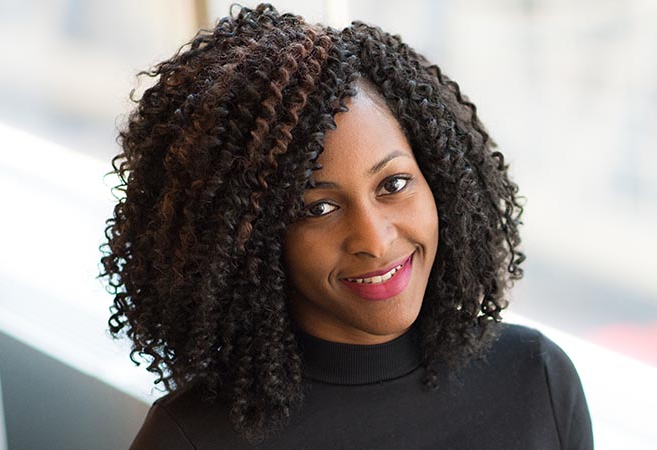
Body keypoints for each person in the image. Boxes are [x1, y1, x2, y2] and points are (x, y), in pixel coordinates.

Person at [100, 4, 592, 449]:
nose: (375, 240)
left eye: (394, 184)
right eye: (318, 209)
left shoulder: (536, 379)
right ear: (248, 240)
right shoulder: (190, 440)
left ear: (440, 180)